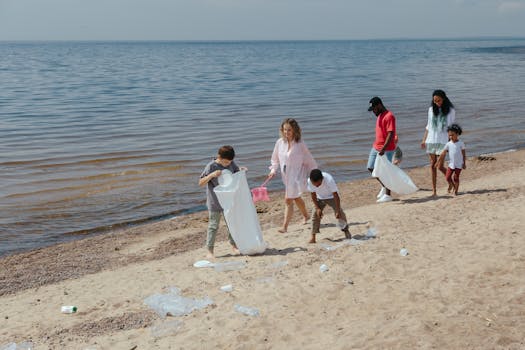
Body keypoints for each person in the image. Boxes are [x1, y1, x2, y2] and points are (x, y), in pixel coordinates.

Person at [268, 118, 318, 233]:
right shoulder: (279, 142)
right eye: (284, 130)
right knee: (295, 197)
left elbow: (309, 159)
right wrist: (273, 170)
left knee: (288, 199)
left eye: (289, 130)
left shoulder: (300, 144)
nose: (286, 132)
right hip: (286, 176)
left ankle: (284, 227)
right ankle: (306, 216)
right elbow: (275, 159)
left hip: (297, 176)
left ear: (295, 130)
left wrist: (315, 173)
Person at [199, 145, 244, 258]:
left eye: (229, 162)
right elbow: (200, 183)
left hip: (228, 200)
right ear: (219, 157)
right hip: (215, 202)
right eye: (225, 162)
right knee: (213, 226)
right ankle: (210, 251)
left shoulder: (231, 163)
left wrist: (242, 171)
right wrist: (211, 175)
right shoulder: (211, 166)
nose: (228, 164)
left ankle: (234, 246)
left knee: (231, 224)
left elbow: (236, 173)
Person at [421, 90, 456, 196]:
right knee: (432, 165)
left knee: (439, 166)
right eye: (435, 101)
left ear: (444, 98)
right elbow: (428, 126)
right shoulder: (431, 110)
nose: (437, 103)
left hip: (443, 141)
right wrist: (423, 140)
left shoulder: (450, 111)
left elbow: (451, 127)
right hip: (431, 140)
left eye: (439, 100)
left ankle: (451, 182)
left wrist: (451, 142)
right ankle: (434, 191)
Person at [307, 169, 351, 244]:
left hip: (332, 197)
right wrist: (317, 208)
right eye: (314, 184)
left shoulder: (329, 179)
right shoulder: (310, 181)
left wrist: (337, 210)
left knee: (340, 214)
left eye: (318, 184)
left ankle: (346, 231)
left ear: (322, 179)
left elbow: (336, 195)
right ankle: (313, 237)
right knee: (314, 215)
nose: (316, 186)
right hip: (319, 198)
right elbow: (313, 195)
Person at [367, 96, 397, 203]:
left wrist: (383, 148)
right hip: (376, 147)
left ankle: (388, 195)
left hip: (387, 149)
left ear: (379, 105)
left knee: (386, 171)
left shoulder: (389, 116)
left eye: (374, 109)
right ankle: (384, 186)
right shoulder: (379, 115)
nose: (373, 112)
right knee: (370, 167)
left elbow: (391, 133)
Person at [436, 124, 466, 196]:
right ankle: (452, 185)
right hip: (451, 164)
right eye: (449, 135)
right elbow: (442, 154)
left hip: (459, 164)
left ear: (457, 134)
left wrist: (464, 163)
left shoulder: (461, 143)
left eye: (452, 135)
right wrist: (437, 162)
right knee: (447, 177)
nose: (451, 137)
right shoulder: (448, 144)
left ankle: (456, 191)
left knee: (456, 178)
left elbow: (464, 154)